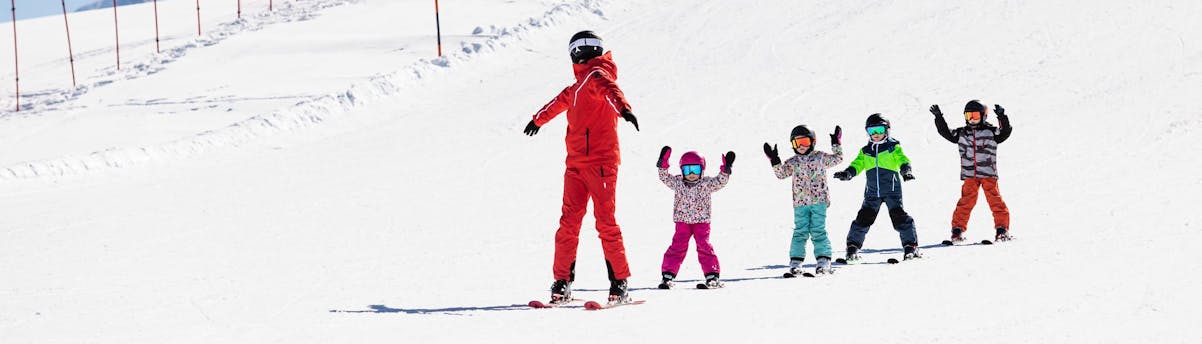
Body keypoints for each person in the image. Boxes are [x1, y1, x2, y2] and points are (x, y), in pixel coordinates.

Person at [522, 30, 640, 305]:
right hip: (575, 165)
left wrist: (624, 110)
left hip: (600, 164)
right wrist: (537, 120)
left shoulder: (597, 76)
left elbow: (612, 93)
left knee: (605, 222)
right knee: (568, 223)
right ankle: (562, 283)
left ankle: (619, 283)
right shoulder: (577, 86)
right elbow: (556, 103)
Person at [832, 113, 921, 262]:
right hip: (872, 193)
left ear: (887, 130)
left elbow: (902, 160)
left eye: (879, 130)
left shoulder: (893, 147)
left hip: (892, 191)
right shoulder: (866, 151)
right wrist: (848, 173)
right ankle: (852, 248)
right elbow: (857, 164)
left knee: (899, 218)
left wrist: (906, 171)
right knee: (863, 219)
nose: (876, 135)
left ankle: (910, 247)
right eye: (872, 131)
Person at [764, 125, 843, 277]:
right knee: (800, 232)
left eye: (804, 142)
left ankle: (824, 262)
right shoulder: (793, 162)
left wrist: (836, 144)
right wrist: (774, 160)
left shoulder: (820, 157)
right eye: (796, 143)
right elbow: (781, 174)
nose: (800, 146)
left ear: (813, 142)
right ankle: (796, 263)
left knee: (818, 231)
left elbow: (838, 159)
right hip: (800, 204)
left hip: (819, 201)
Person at [930, 100, 1013, 243]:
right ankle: (957, 231)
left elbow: (1006, 131)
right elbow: (946, 132)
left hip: (988, 173)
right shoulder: (962, 133)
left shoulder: (992, 132)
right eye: (968, 116)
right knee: (965, 202)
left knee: (995, 201)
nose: (972, 119)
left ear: (983, 116)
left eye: (975, 115)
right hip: (970, 175)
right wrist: (939, 117)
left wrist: (1002, 117)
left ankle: (1002, 230)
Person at [654, 147, 734, 289]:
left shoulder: (706, 184)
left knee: (704, 246)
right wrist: (663, 163)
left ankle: (712, 275)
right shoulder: (678, 183)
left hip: (701, 222)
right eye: (687, 170)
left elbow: (720, 182)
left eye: (695, 170)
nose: (691, 174)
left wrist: (726, 170)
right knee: (677, 247)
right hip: (682, 222)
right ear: (682, 170)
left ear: (702, 170)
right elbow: (664, 177)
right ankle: (668, 275)